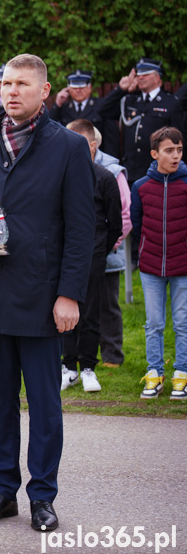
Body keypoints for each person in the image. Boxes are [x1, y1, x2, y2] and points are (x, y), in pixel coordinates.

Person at [0, 54, 95, 532]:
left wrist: (69, 295)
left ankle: (43, 497)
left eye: (21, 84)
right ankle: (2, 492)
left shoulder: (70, 147)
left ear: (45, 90)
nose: (10, 92)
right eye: (5, 83)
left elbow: (81, 230)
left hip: (43, 298)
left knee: (45, 406)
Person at [60, 119, 122, 393]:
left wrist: (99, 251)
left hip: (94, 258)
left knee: (90, 314)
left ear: (92, 147)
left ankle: (88, 368)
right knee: (63, 313)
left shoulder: (106, 178)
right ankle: (67, 366)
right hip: (62, 257)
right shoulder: (59, 176)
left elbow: (115, 225)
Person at [131, 127, 187, 401]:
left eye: (179, 150)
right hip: (152, 267)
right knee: (153, 323)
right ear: (155, 154)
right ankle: (154, 373)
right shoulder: (141, 187)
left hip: (184, 268)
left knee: (182, 323)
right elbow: (138, 225)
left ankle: (182, 374)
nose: (175, 155)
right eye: (169, 150)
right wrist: (141, 256)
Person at [98, 58, 184, 185]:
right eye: (139, 74)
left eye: (146, 74)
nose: (141, 77)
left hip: (158, 170)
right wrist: (121, 89)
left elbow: (179, 138)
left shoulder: (171, 103)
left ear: (157, 78)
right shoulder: (130, 100)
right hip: (132, 170)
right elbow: (103, 110)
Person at [93, 126, 132, 368]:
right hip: (80, 255)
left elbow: (124, 216)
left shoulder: (113, 172)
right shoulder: (67, 165)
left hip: (108, 252)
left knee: (108, 305)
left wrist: (107, 247)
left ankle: (112, 354)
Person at [50, 70, 117, 155]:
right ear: (68, 89)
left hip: (96, 158)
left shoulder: (101, 106)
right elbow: (50, 127)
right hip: (69, 157)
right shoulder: (63, 108)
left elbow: (111, 139)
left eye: (82, 87)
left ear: (90, 87)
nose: (78, 90)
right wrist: (57, 104)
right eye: (74, 88)